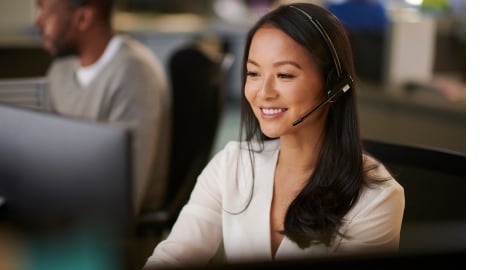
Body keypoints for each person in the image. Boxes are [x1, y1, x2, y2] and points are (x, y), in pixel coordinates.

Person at [144, 2, 404, 268]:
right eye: (253, 73)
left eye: (284, 74)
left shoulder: (376, 199)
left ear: (333, 85)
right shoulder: (231, 164)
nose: (264, 92)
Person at [34, 0, 172, 216]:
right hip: (65, 208)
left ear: (83, 19)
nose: (38, 23)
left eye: (45, 12)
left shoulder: (134, 75)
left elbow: (123, 198)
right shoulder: (61, 69)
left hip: (111, 233)